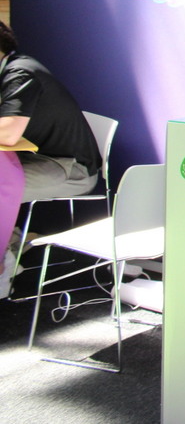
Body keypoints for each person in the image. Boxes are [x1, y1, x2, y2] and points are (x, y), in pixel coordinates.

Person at [0, 20, 103, 297]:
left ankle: (4, 264)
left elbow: (8, 133)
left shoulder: (20, 73)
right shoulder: (10, 69)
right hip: (41, 160)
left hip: (71, 169)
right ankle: (12, 244)